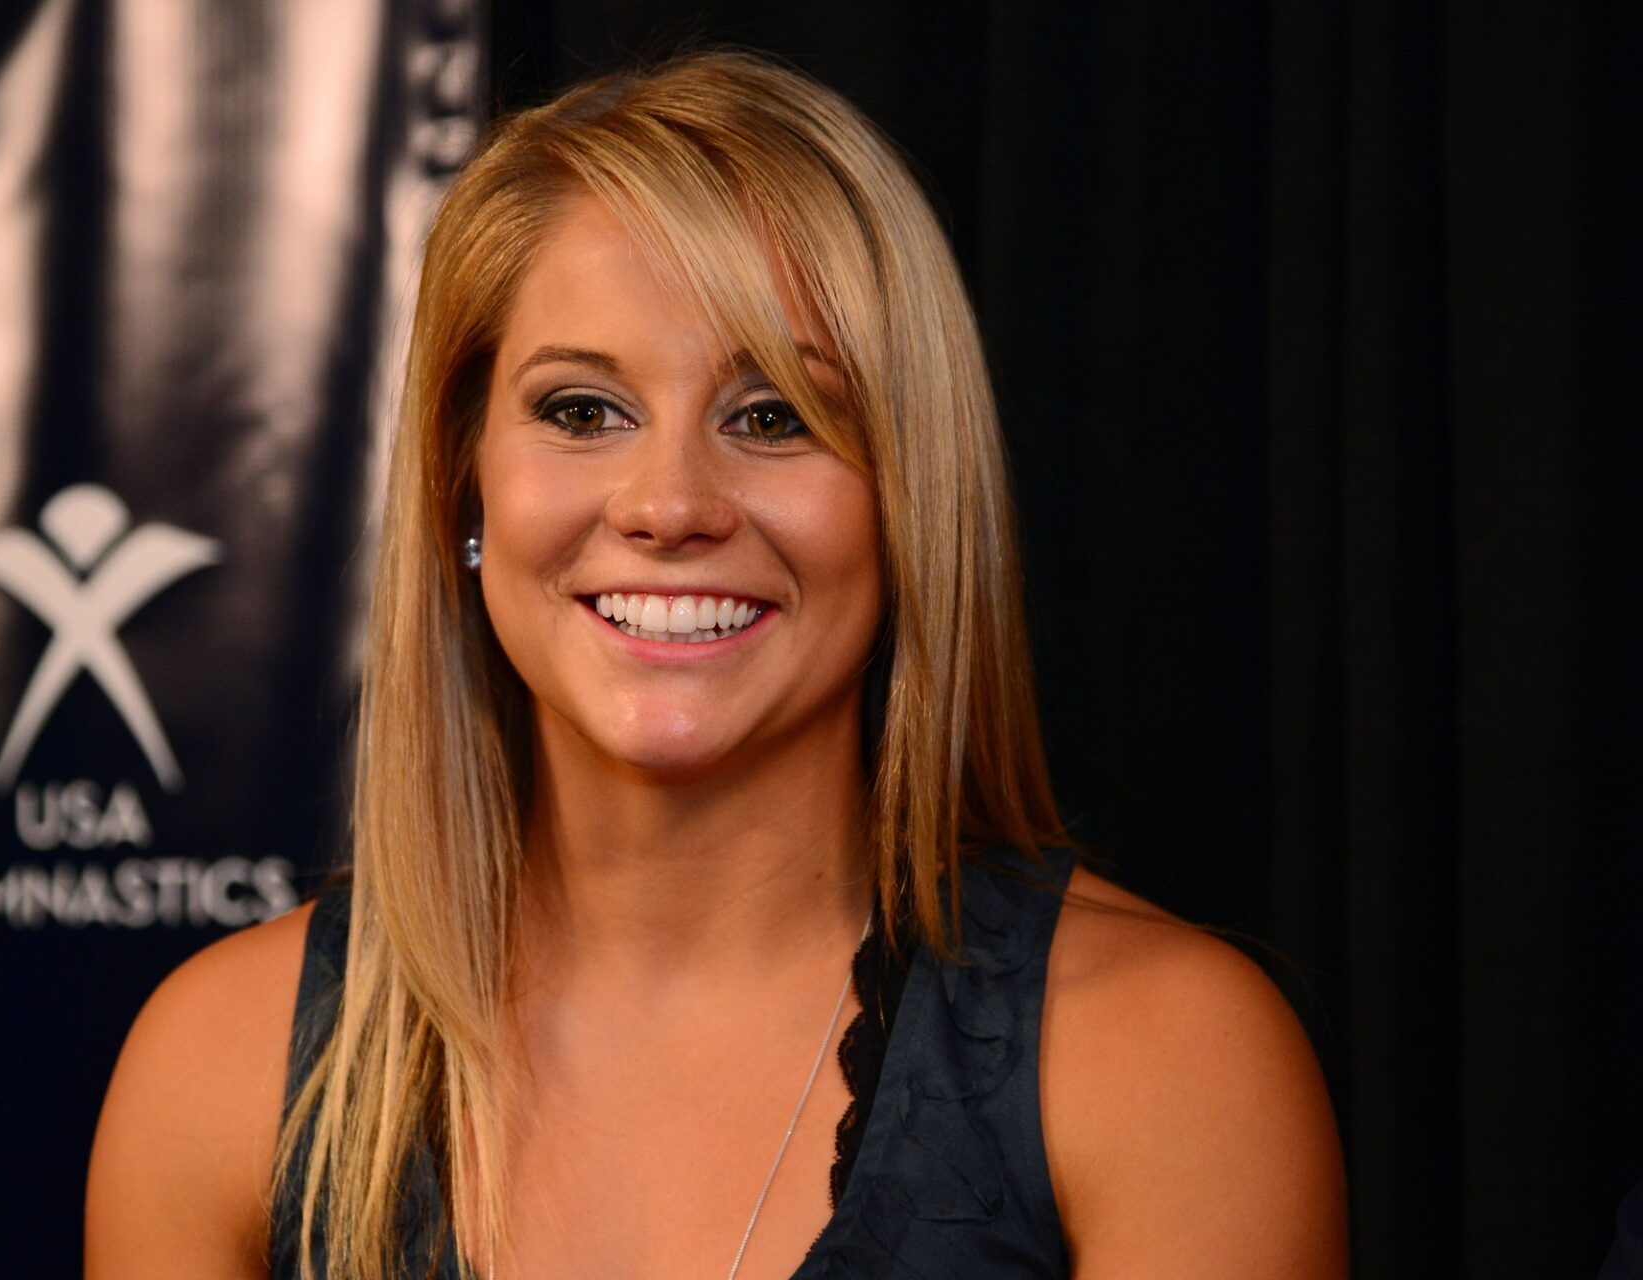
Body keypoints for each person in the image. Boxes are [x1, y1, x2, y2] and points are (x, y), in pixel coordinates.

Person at [85, 48, 1348, 1280]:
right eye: (582, 410)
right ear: (461, 478)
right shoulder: (220, 1066)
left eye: (773, 417)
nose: (671, 502)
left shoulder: (1162, 1064)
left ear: (912, 497)